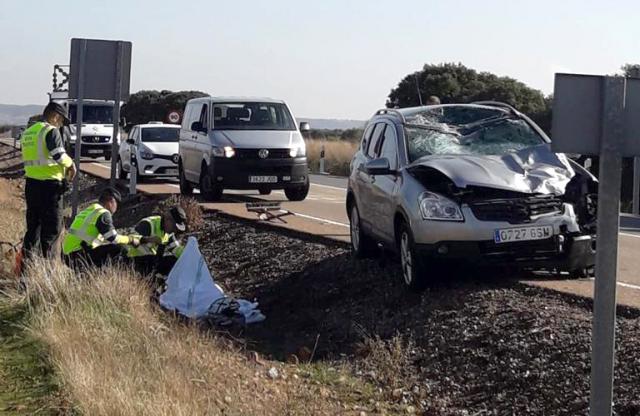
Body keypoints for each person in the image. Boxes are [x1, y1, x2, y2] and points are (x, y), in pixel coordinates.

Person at [21, 102, 77, 259]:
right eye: (60, 121)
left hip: (31, 185)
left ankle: (26, 271)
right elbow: (59, 156)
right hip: (50, 188)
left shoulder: (29, 132)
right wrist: (71, 164)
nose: (60, 125)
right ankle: (47, 272)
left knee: (33, 230)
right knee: (51, 232)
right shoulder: (50, 131)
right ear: (55, 116)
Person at [62, 188, 152, 268]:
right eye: (117, 204)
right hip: (78, 255)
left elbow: (102, 237)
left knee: (106, 251)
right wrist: (131, 240)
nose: (116, 208)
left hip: (68, 255)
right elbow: (113, 238)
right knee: (119, 249)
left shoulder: (91, 209)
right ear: (111, 201)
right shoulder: (103, 213)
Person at [127, 206, 188, 275]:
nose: (174, 231)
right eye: (174, 227)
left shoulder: (168, 234)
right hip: (133, 260)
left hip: (149, 263)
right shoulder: (148, 224)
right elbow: (130, 239)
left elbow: (177, 250)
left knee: (173, 261)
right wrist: (149, 240)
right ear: (168, 219)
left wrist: (190, 257)